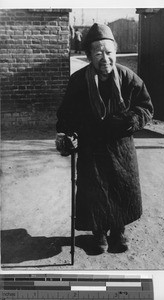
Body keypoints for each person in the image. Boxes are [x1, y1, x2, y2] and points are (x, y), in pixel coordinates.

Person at [56, 23, 154, 254]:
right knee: (95, 190)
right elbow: (66, 114)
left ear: (115, 53)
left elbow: (146, 107)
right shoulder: (79, 81)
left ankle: (118, 232)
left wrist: (133, 120)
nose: (105, 58)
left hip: (121, 147)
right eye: (98, 53)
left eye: (109, 52)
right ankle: (98, 234)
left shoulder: (129, 77)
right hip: (91, 147)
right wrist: (68, 135)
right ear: (89, 55)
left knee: (121, 187)